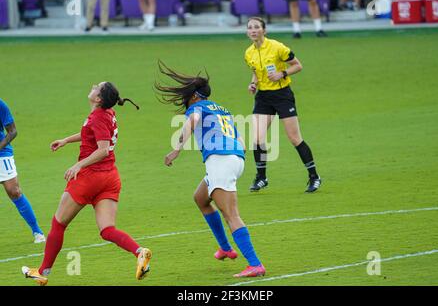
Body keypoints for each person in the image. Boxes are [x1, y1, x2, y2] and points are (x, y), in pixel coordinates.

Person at [22, 82, 151, 286]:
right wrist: (66, 140)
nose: (93, 86)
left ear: (99, 99)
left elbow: (103, 148)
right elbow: (93, 133)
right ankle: (139, 252)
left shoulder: (99, 116)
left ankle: (42, 271)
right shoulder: (107, 112)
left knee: (58, 223)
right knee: (107, 230)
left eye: (97, 87)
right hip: (110, 178)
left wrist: (78, 166)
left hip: (90, 178)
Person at [155, 61, 266, 278]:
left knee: (231, 215)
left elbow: (193, 121)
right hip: (236, 159)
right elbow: (241, 140)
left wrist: (176, 149)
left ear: (194, 96)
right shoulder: (221, 108)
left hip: (221, 161)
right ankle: (225, 248)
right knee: (201, 198)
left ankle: (255, 264)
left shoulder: (196, 109)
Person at [245, 17, 322, 193]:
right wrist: (253, 84)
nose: (253, 30)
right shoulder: (248, 52)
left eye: (257, 27)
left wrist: (283, 73)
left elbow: (298, 65)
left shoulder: (277, 47)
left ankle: (314, 176)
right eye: (250, 28)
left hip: (282, 96)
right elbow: (256, 72)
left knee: (294, 138)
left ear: (264, 30)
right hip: (263, 97)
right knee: (257, 139)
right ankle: (261, 177)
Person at [0, 99, 45, 244]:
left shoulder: (1, 105)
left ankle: (37, 232)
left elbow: (12, 131)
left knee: (14, 191)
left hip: (2, 153)